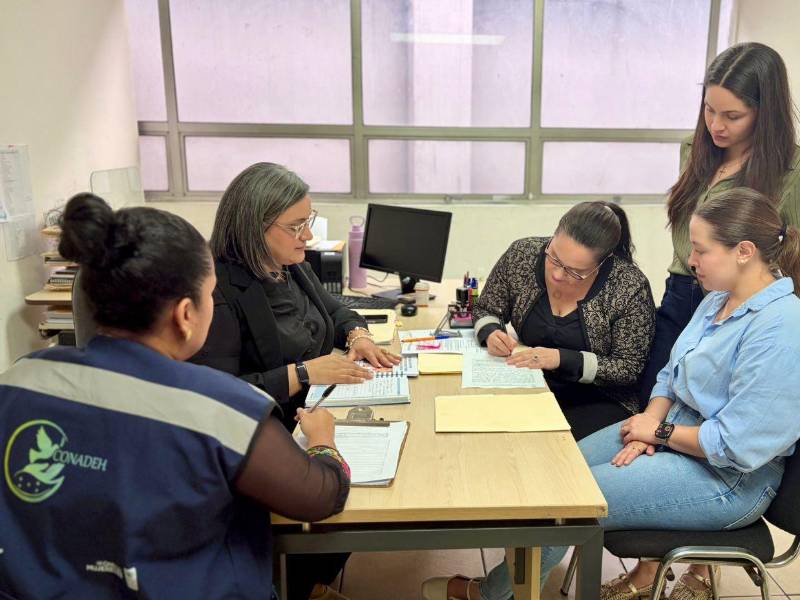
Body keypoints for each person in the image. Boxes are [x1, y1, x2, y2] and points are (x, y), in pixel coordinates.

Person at [431, 188, 800, 600]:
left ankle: (493, 594)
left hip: (730, 479)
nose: (691, 261)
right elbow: (669, 376)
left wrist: (657, 431)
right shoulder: (718, 301)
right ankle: (508, 588)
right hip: (679, 432)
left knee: (566, 500)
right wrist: (652, 424)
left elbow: (737, 446)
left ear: (744, 251)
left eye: (700, 250)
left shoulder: (780, 328)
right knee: (544, 480)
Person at [0, 194, 351, 599]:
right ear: (186, 315)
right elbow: (321, 497)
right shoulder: (223, 410)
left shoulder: (17, 381)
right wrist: (323, 441)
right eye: (210, 295)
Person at [191, 162, 399, 600]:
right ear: (255, 229)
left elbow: (336, 306)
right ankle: (300, 584)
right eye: (296, 225)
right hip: (268, 433)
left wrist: (357, 335)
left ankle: (312, 581)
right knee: (346, 490)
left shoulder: (290, 265)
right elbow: (218, 394)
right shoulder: (221, 291)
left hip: (317, 411)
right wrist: (302, 373)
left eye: (309, 219)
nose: (308, 235)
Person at [638, 41, 800, 409]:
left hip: (739, 308)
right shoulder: (694, 148)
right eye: (709, 110)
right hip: (681, 293)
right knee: (651, 401)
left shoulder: (791, 172)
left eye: (732, 116)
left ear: (765, 113)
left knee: (706, 416)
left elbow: (793, 255)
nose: (716, 124)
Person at [471, 201, 656, 441]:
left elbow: (629, 368)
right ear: (554, 235)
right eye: (554, 258)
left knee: (548, 447)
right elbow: (486, 307)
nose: (558, 275)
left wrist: (560, 358)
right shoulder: (522, 255)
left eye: (575, 271)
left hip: (598, 399)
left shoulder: (628, 286)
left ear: (602, 263)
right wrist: (490, 331)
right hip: (533, 384)